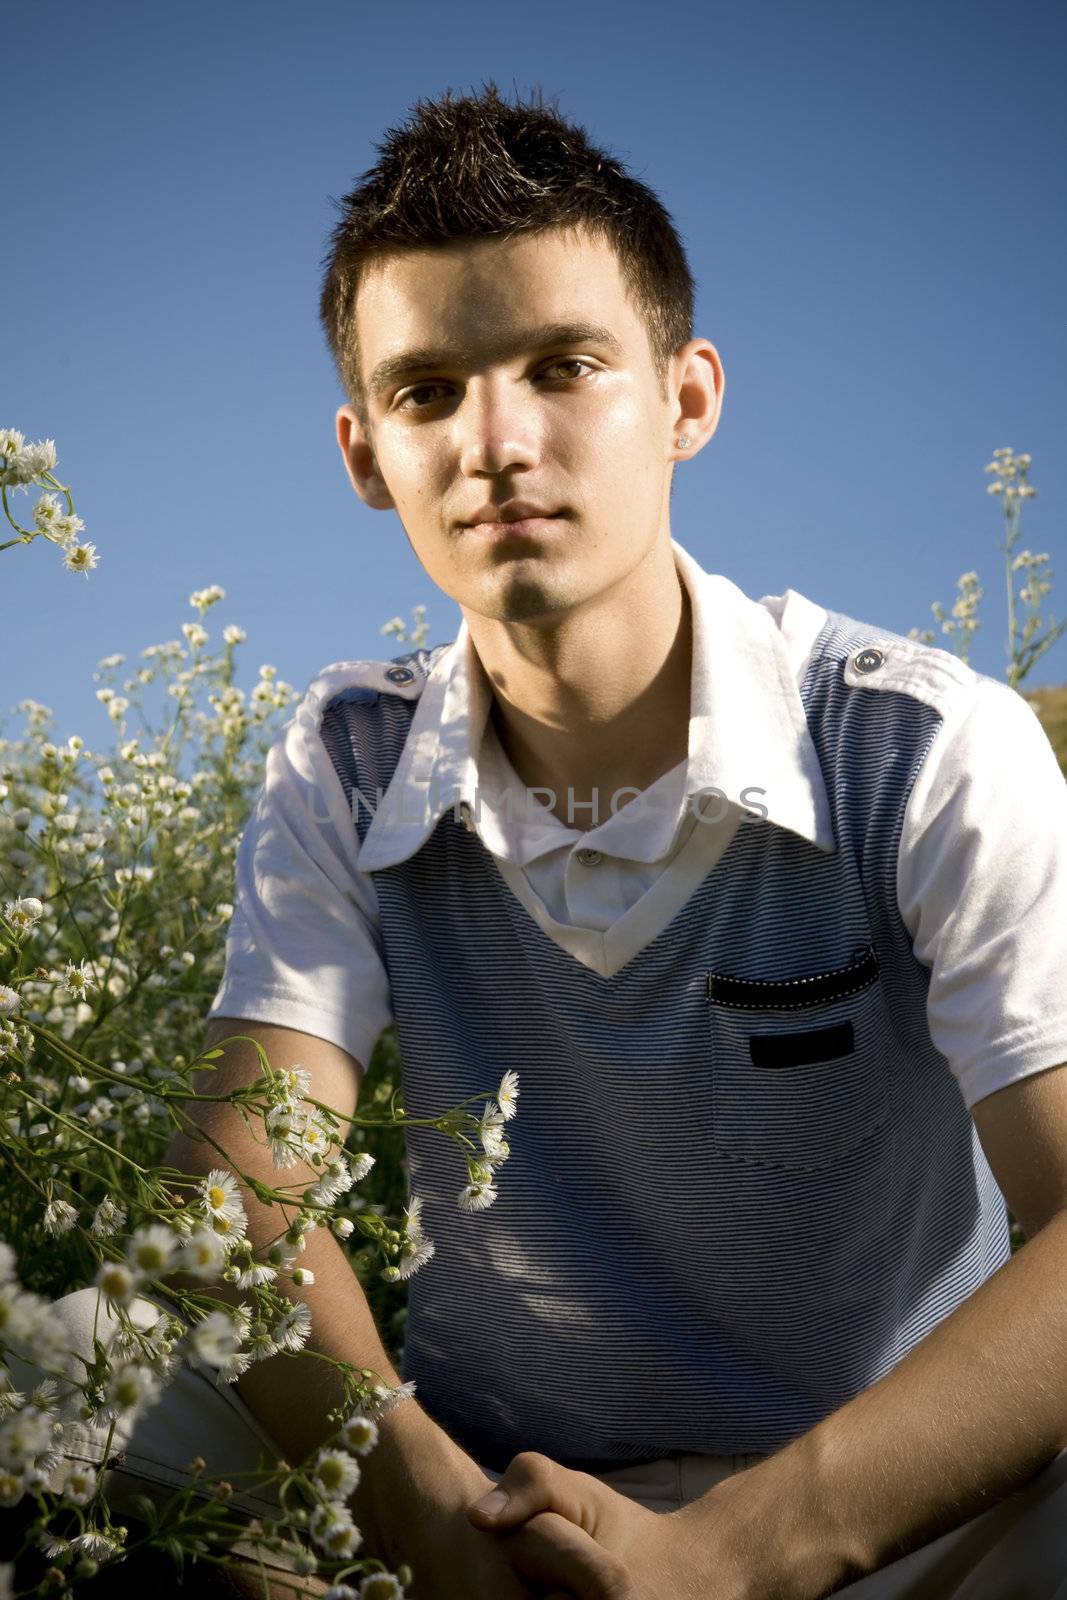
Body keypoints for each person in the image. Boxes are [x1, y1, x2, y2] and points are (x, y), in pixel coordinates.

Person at [40, 81, 1067, 1599]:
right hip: (486, 1501)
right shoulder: (345, 758)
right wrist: (426, 1509)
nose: (496, 440)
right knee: (57, 1374)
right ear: (361, 453)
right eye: (427, 390)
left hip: (897, 1517)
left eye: (563, 365)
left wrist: (736, 1555)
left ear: (687, 398)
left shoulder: (918, 744)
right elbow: (235, 1195)